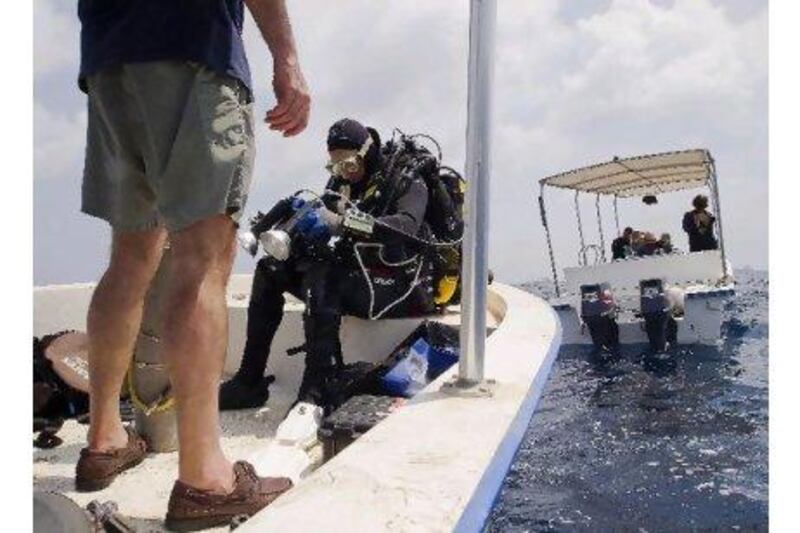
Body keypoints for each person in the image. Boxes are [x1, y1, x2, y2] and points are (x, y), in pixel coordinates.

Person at [74, 0, 310, 528]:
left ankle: (104, 438)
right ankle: (206, 478)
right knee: (201, 259)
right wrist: (286, 58)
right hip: (191, 47)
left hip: (108, 59)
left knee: (131, 257)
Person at [219, 118, 437, 412]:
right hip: (360, 279)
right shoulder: (342, 181)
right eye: (336, 167)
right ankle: (249, 381)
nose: (344, 173)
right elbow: (326, 220)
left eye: (349, 164)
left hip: (399, 288)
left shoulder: (405, 179)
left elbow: (406, 227)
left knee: (323, 277)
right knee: (270, 270)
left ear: (367, 152)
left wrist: (346, 221)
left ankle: (317, 387)